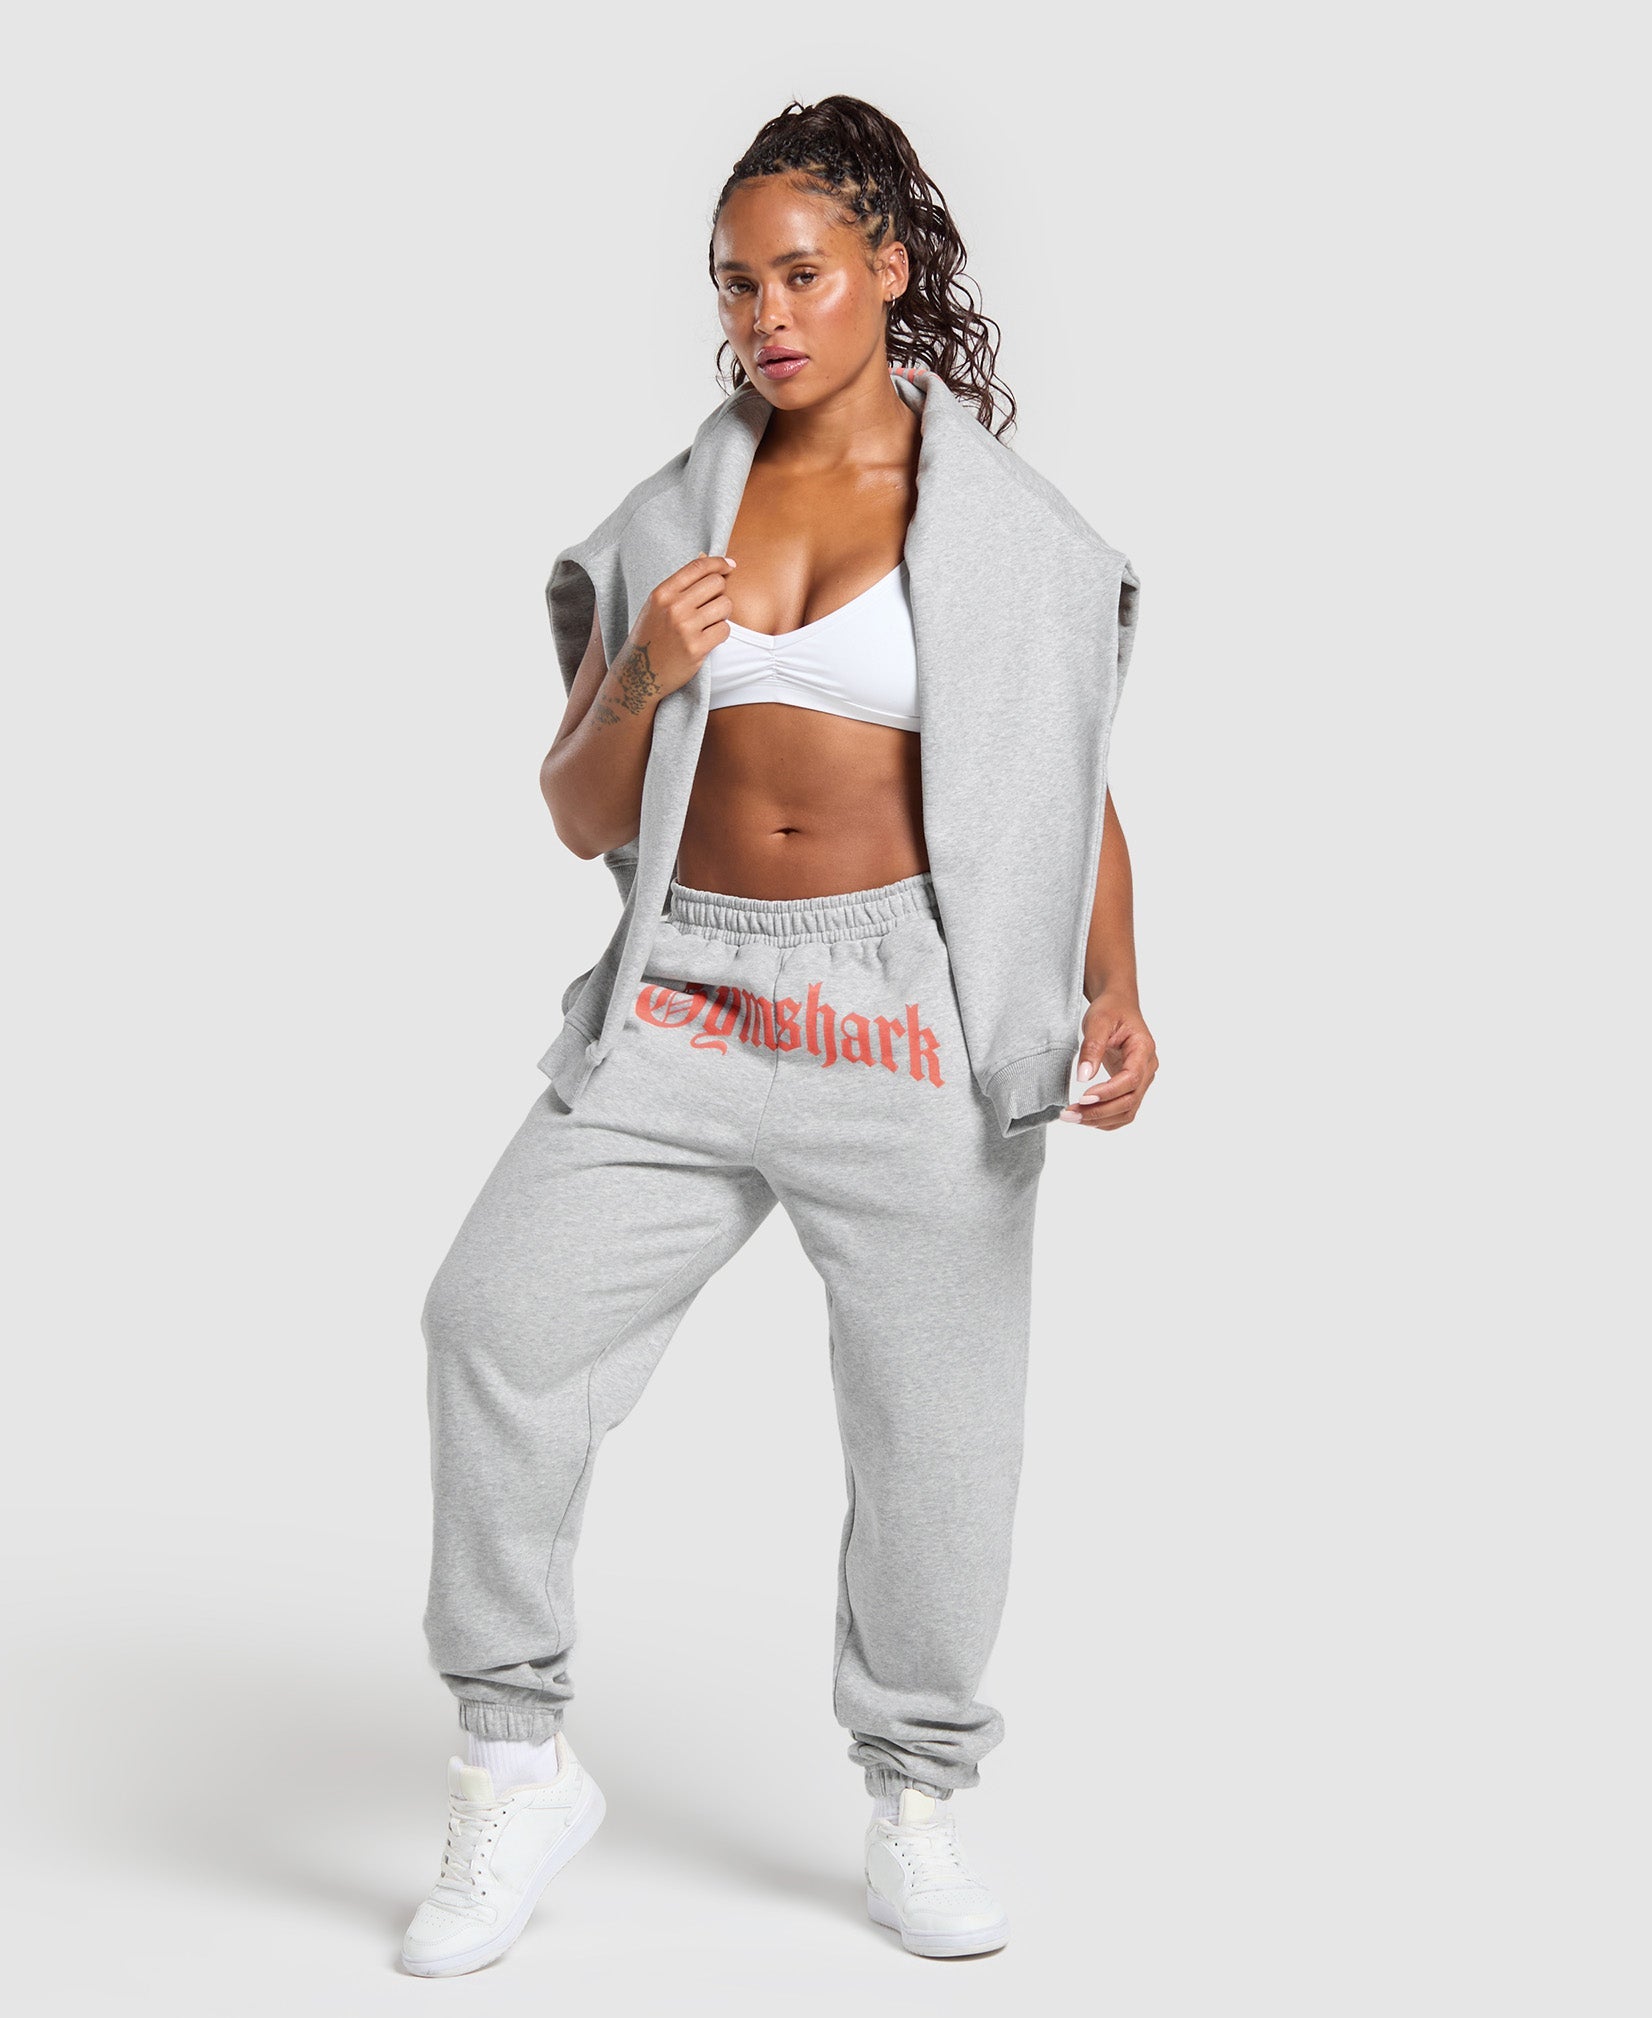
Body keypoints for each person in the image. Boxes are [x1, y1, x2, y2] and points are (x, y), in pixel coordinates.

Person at [400, 93, 1158, 1976]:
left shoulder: (1009, 535)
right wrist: (648, 674)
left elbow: (1064, 789)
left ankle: (917, 1795)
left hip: (908, 1009)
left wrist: (1118, 987)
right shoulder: (674, 517)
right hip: (686, 988)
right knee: (494, 1319)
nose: (766, 316)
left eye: (802, 274)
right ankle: (514, 1761)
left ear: (889, 267)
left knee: (938, 1435)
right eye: (736, 284)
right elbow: (578, 811)